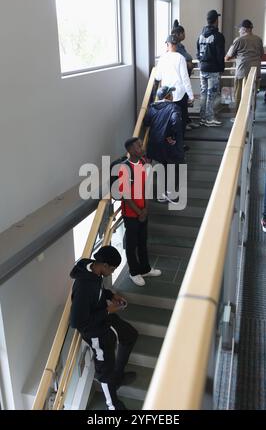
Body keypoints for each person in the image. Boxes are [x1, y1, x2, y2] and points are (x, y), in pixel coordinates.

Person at [70, 245, 138, 410]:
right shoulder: (83, 286)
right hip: (94, 331)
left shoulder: (94, 270)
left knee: (130, 335)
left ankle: (118, 376)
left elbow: (98, 291)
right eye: (113, 269)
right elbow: (77, 323)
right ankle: (112, 405)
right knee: (104, 371)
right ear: (105, 265)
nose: (113, 272)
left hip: (103, 317)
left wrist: (110, 295)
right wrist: (108, 309)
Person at [119, 137, 162, 287]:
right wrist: (139, 212)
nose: (141, 147)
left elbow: (146, 188)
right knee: (132, 245)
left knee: (143, 242)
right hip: (131, 215)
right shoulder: (124, 168)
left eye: (141, 145)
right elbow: (126, 195)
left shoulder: (143, 163)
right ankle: (134, 272)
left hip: (143, 212)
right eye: (138, 146)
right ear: (130, 150)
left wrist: (146, 209)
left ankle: (145, 269)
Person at [144, 85, 184, 203]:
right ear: (168, 96)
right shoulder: (173, 107)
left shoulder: (152, 107)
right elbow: (176, 121)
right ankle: (168, 194)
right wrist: (173, 137)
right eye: (171, 94)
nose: (172, 96)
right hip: (167, 144)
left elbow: (146, 122)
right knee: (171, 168)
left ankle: (161, 194)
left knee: (161, 167)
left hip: (154, 143)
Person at [155, 34, 194, 138]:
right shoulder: (181, 58)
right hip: (179, 94)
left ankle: (170, 144)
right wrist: (191, 95)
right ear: (176, 45)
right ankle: (179, 143)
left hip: (166, 95)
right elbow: (185, 78)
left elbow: (158, 77)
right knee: (181, 120)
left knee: (168, 120)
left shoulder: (162, 58)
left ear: (167, 44)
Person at [225, 19, 264, 120]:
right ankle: (251, 117)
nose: (238, 31)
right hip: (255, 72)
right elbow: (261, 54)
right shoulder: (259, 39)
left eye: (239, 29)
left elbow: (227, 57)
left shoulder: (238, 40)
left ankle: (239, 118)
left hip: (242, 71)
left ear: (245, 29)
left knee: (239, 95)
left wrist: (238, 56)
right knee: (252, 94)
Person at [197, 9, 225, 126]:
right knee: (211, 93)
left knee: (203, 93)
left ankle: (202, 117)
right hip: (213, 69)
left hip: (202, 68)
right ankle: (209, 118)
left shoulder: (201, 35)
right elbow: (220, 55)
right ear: (216, 21)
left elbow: (197, 53)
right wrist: (221, 69)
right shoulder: (217, 36)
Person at [171, 19, 199, 130]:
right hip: (179, 80)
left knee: (185, 100)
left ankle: (187, 120)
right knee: (182, 103)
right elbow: (183, 59)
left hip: (185, 76)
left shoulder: (180, 46)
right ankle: (184, 123)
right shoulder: (175, 47)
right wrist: (189, 64)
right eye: (183, 33)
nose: (184, 35)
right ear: (178, 34)